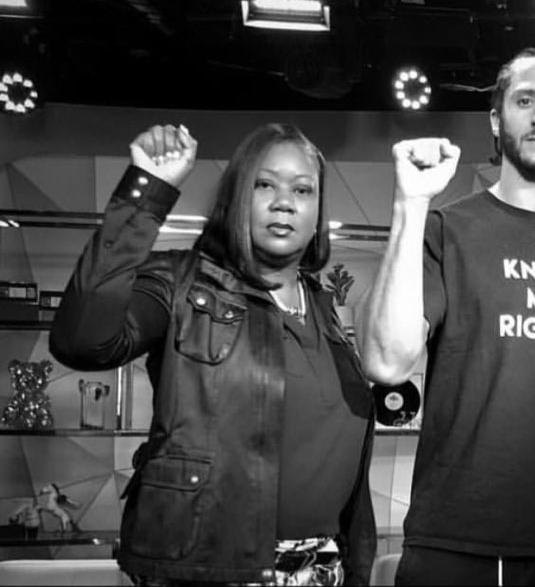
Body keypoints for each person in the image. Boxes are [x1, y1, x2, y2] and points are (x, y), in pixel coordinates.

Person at [49, 123, 377, 586]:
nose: (285, 202)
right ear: (236, 196)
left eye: (303, 189)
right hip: (209, 569)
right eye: (265, 184)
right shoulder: (183, 283)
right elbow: (81, 341)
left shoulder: (324, 310)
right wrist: (147, 192)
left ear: (318, 210)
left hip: (322, 569)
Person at [358, 47, 535, 586]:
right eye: (524, 100)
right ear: (495, 119)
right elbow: (386, 362)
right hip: (455, 542)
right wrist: (409, 206)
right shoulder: (444, 229)